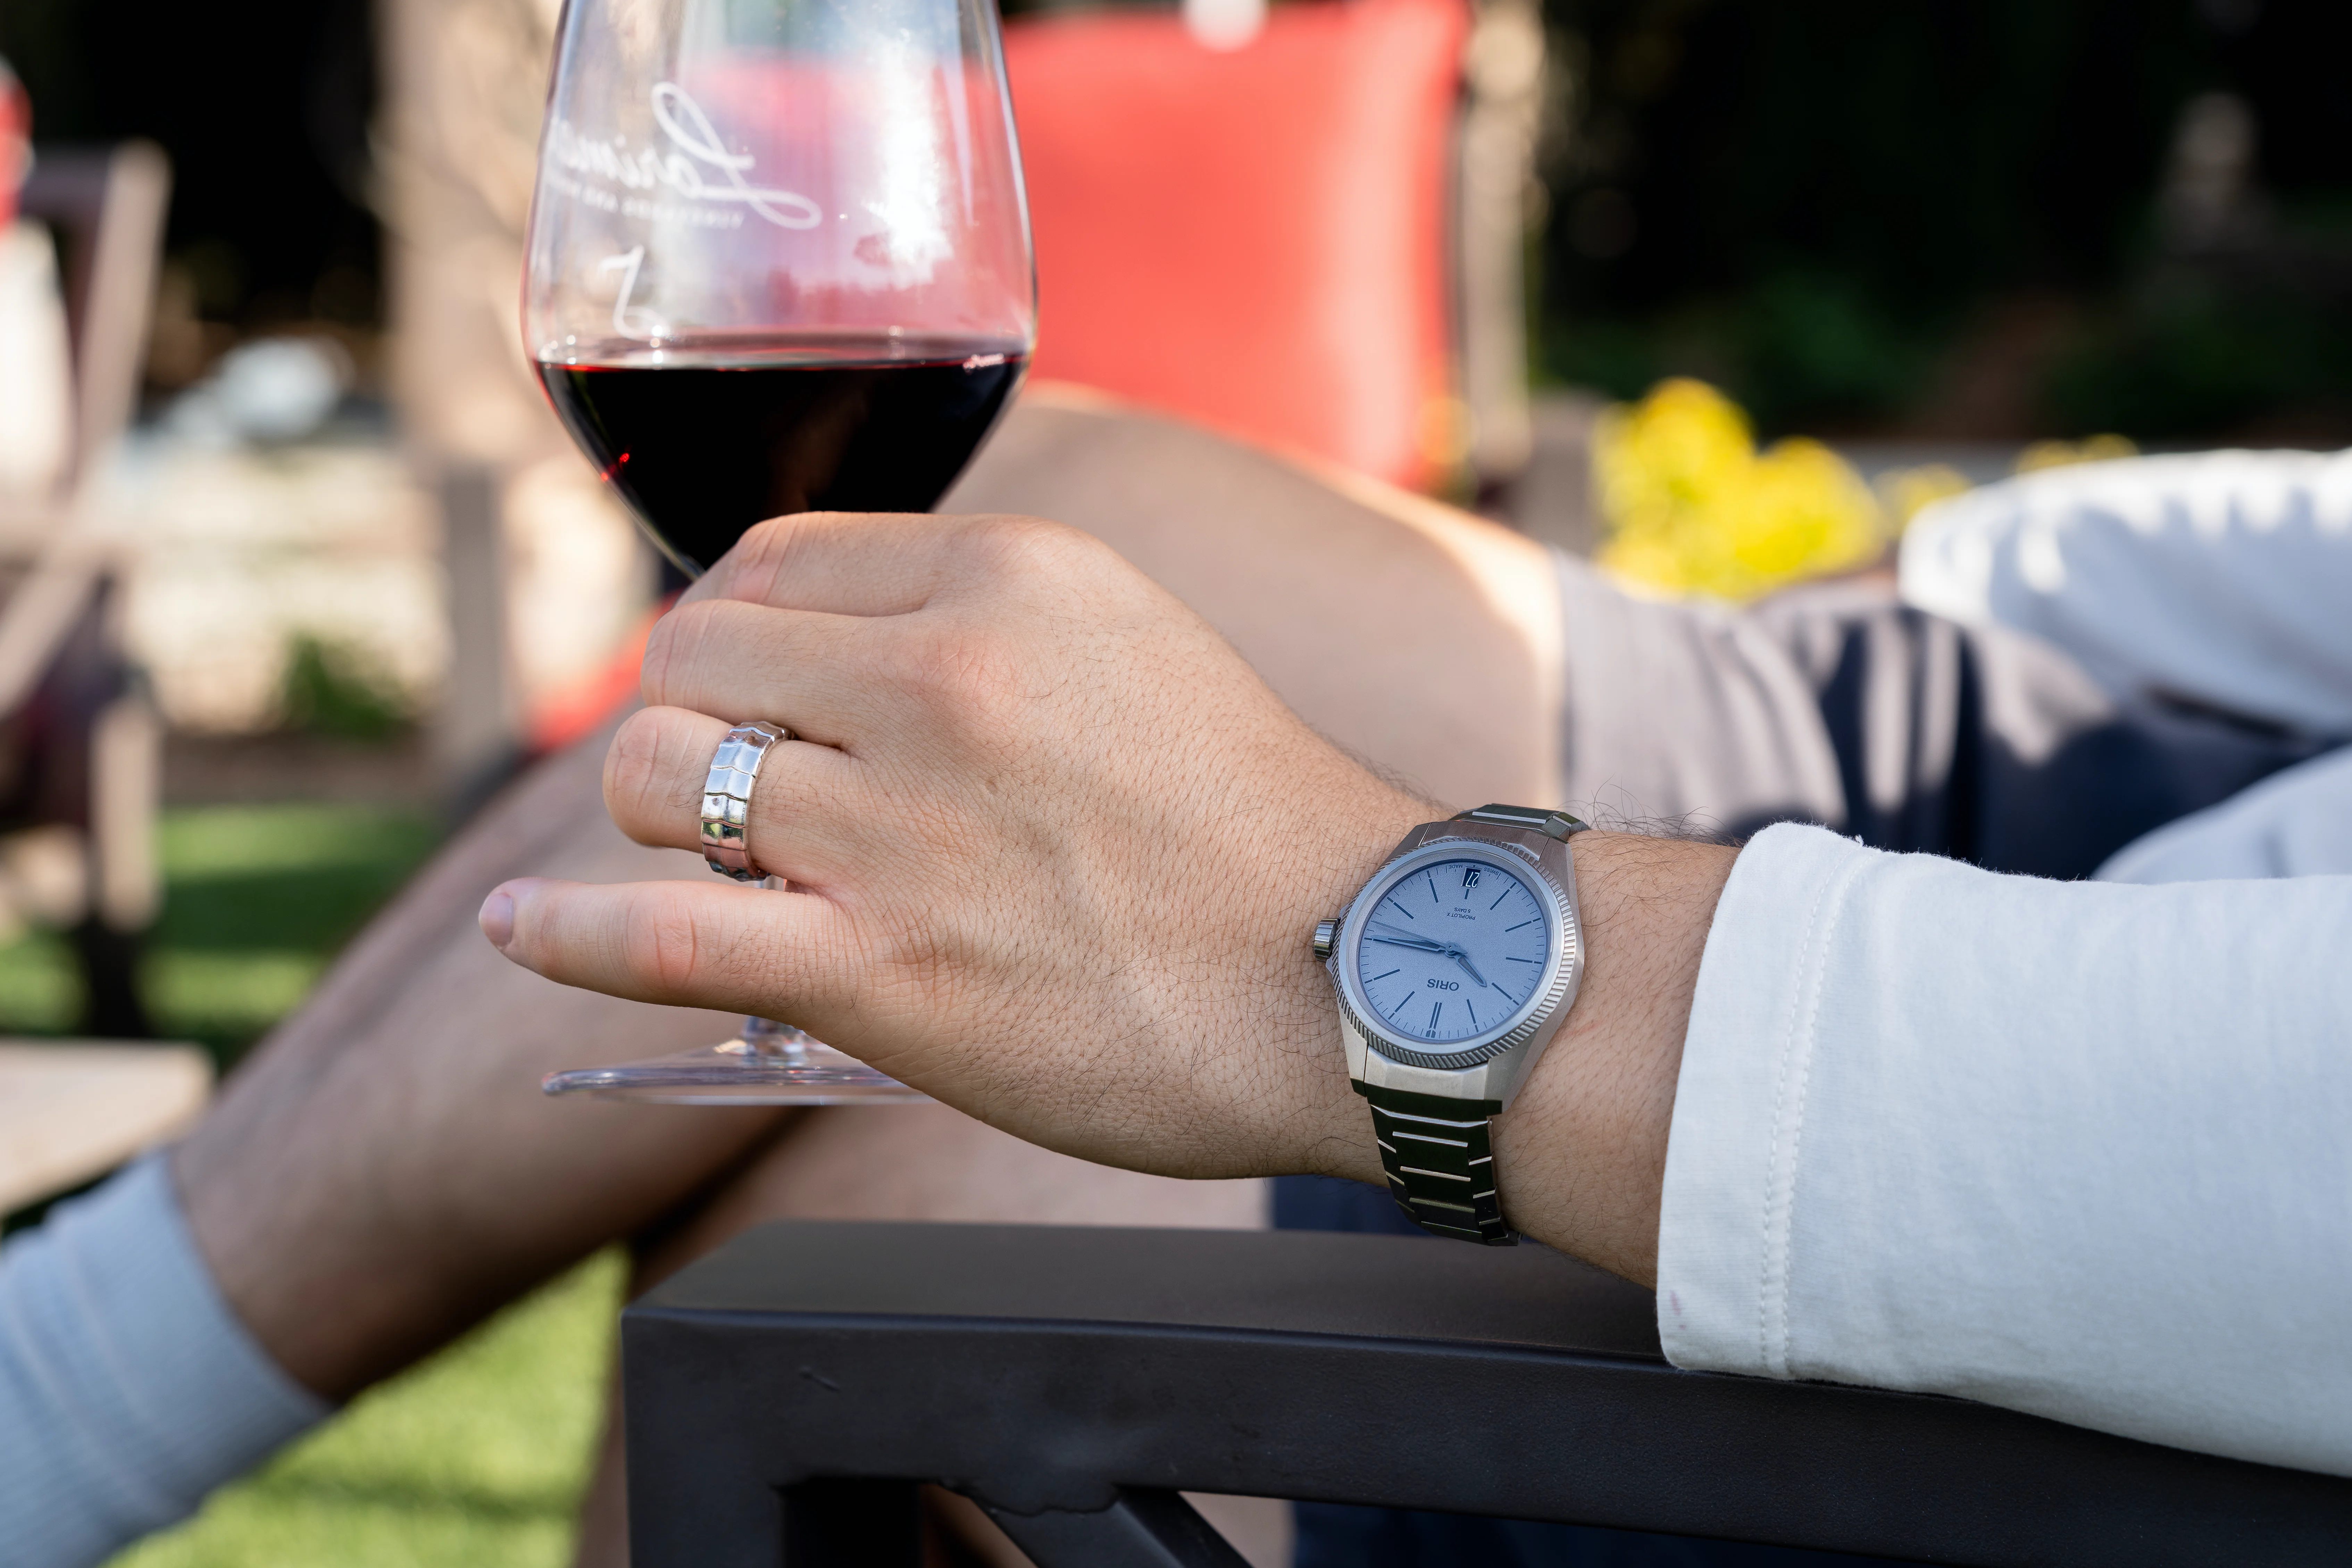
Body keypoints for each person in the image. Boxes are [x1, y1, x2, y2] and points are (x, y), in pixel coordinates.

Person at [1, 391, 2345, 1568]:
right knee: (1024, 536)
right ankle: (44, 1399)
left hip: (2179, 1139)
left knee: (893, 1224)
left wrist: (1315, 943)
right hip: (2163, 765)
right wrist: (1942, 595)